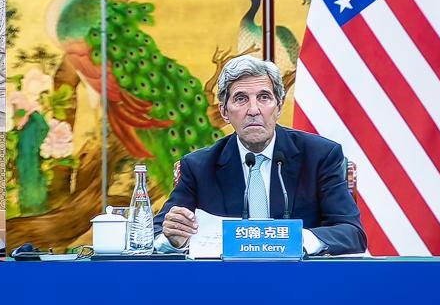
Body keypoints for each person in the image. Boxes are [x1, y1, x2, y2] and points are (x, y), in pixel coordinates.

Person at [154, 55, 367, 255]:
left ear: (279, 107)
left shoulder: (319, 156)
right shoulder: (199, 166)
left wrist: (295, 239)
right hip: (227, 278)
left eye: (264, 97)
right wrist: (174, 240)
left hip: (299, 278)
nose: (254, 110)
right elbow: (156, 233)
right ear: (224, 112)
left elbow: (351, 232)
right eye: (241, 99)